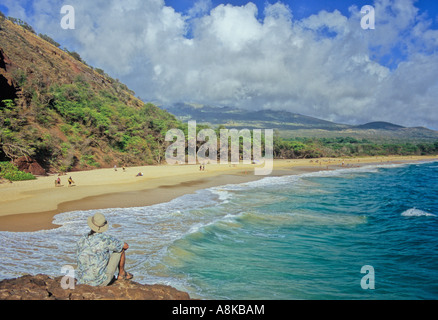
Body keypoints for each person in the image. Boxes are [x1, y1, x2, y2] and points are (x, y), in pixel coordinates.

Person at [76, 212, 133, 286]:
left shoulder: (81, 239)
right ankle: (122, 274)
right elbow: (125, 246)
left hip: (82, 281)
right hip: (100, 282)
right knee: (120, 249)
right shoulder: (105, 239)